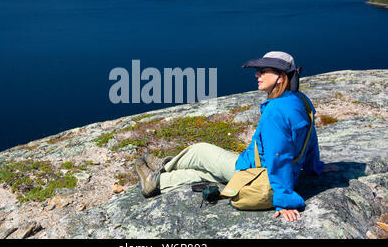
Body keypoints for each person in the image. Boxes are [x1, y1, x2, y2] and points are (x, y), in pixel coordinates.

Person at [135, 51, 339, 222]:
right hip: (273, 173)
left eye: (263, 70)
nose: (257, 74)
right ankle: (160, 181)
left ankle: (162, 169)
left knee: (200, 151)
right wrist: (315, 167)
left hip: (258, 174)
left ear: (280, 76)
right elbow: (310, 138)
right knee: (206, 174)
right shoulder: (300, 100)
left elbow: (279, 156)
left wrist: (284, 201)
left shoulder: (275, 111)